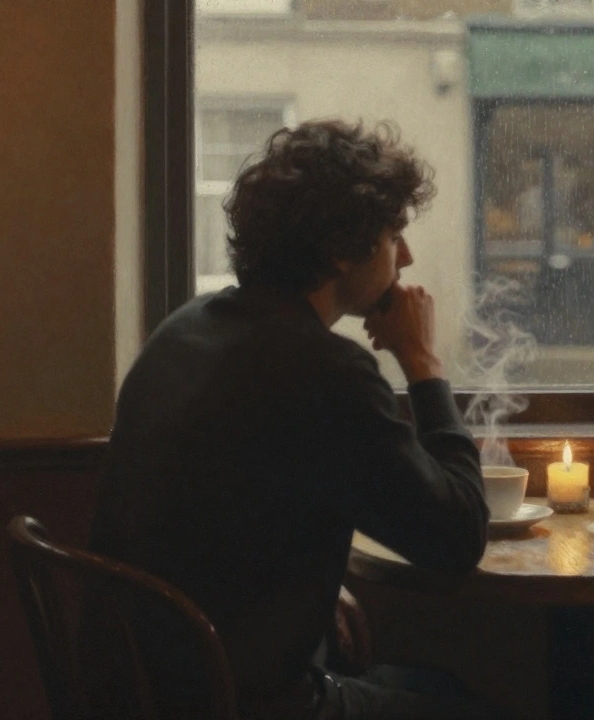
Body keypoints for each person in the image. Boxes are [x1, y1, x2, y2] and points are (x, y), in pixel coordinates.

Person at [89, 119, 503, 719]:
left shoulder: (185, 329)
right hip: (247, 704)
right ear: (340, 249)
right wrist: (422, 362)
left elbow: (221, 513)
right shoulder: (327, 372)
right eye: (394, 237)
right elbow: (458, 537)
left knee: (439, 688)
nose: (407, 257)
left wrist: (313, 593)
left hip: (149, 688)